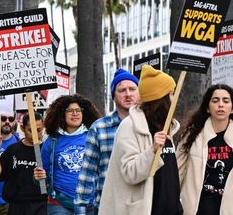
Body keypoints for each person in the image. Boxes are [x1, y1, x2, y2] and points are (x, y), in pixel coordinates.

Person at [99, 65, 182, 215]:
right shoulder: (130, 126)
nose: (175, 99)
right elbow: (130, 173)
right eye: (171, 94)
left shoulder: (167, 126)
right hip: (147, 209)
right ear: (160, 98)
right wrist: (152, 150)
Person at [75, 68, 139, 214]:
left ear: (139, 93)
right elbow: (87, 172)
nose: (128, 94)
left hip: (141, 205)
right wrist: (81, 208)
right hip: (108, 205)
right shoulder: (100, 128)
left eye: (132, 89)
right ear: (113, 96)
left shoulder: (150, 126)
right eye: (122, 90)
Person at [37, 94, 102, 215]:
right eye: (70, 110)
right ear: (62, 114)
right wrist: (37, 177)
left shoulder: (94, 137)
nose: (75, 113)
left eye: (78, 110)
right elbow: (42, 179)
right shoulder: (51, 142)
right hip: (59, 204)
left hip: (89, 204)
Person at [176, 84, 233, 215]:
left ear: (232, 108)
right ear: (207, 108)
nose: (220, 105)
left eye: (226, 101)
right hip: (196, 209)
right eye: (215, 100)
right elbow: (177, 172)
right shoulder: (191, 135)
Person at [0, 112, 47, 215]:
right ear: (22, 128)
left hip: (41, 204)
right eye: (31, 130)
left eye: (39, 130)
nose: (35, 134)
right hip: (16, 205)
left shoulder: (47, 151)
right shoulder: (12, 150)